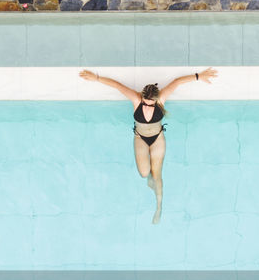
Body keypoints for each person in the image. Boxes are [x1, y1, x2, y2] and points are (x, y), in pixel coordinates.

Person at [80, 67, 218, 223]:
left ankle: (159, 207)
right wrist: (96, 78)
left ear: (156, 99)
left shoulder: (160, 100)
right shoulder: (136, 99)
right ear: (142, 96)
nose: (147, 106)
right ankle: (150, 179)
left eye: (150, 104)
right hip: (140, 138)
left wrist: (199, 76)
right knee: (144, 173)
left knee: (157, 174)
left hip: (158, 139)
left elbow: (177, 82)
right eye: (145, 102)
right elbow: (117, 86)